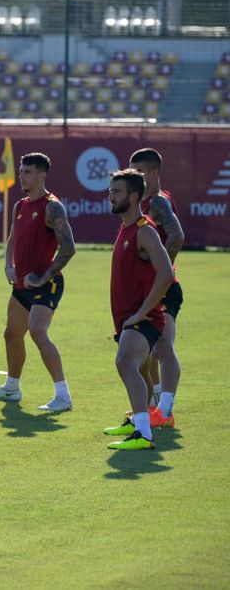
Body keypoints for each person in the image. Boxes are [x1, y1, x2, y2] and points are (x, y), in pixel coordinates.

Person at [0, 153, 76, 411]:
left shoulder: (52, 207)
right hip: (21, 286)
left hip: (47, 283)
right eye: (21, 171)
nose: (21, 176)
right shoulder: (20, 206)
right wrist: (8, 266)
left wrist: (43, 277)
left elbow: (69, 248)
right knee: (12, 335)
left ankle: (63, 396)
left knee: (37, 331)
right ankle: (12, 388)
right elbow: (12, 238)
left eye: (27, 172)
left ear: (42, 175)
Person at [102, 169, 174, 450]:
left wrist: (143, 311)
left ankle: (143, 434)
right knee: (142, 371)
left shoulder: (145, 231)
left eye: (116, 192)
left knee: (124, 362)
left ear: (133, 197)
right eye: (110, 191)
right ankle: (137, 421)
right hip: (126, 317)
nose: (110, 196)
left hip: (143, 318)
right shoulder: (126, 227)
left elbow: (166, 273)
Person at [129, 147, 184, 428]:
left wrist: (162, 272)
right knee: (146, 351)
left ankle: (166, 410)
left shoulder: (159, 202)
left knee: (163, 348)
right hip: (148, 287)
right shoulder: (145, 202)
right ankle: (155, 405)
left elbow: (177, 236)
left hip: (163, 287)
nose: (134, 177)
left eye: (138, 172)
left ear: (153, 173)